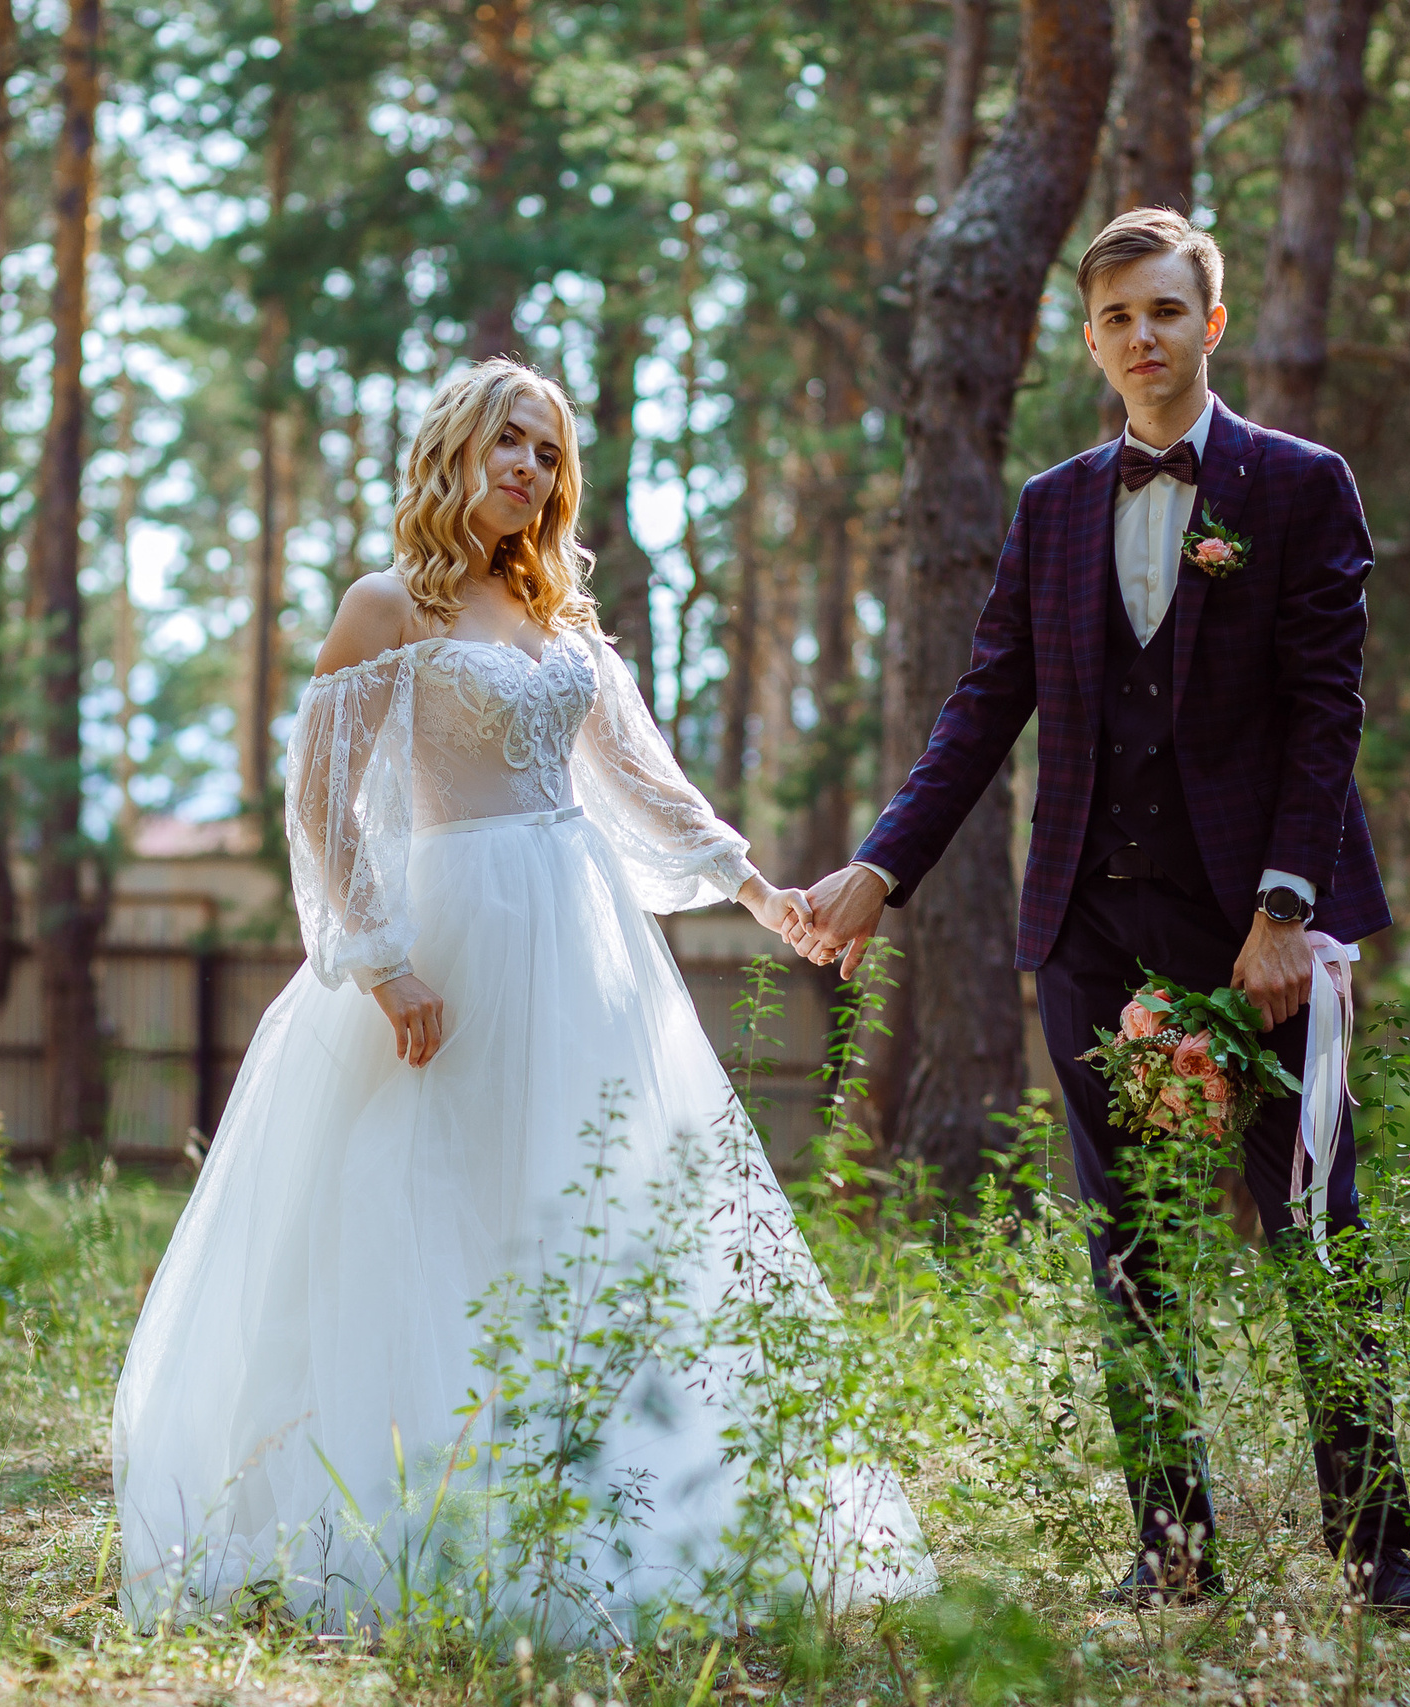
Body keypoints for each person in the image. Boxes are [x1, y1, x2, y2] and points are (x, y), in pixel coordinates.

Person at [111, 359, 933, 1643]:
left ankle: (617, 1499)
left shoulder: (559, 623)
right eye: (508, 442)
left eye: (548, 454)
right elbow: (322, 806)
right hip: (455, 927)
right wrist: (383, 960)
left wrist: (763, 895)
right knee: (429, 1194)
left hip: (582, 932)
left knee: (599, 1195)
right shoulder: (387, 608)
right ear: (455, 447)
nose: (528, 471)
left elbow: (644, 787)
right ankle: (413, 1504)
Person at [793, 208, 1410, 1615]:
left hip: (1264, 926)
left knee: (1313, 1228)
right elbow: (985, 708)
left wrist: (1286, 910)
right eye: (1116, 318)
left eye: (1166, 310)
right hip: (1093, 924)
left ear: (1208, 324)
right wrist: (878, 868)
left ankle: (1379, 1548)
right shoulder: (1050, 508)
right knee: (1129, 1246)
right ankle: (1175, 1550)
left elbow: (1328, 710)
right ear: (1090, 339)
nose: (1142, 337)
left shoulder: (1299, 485)